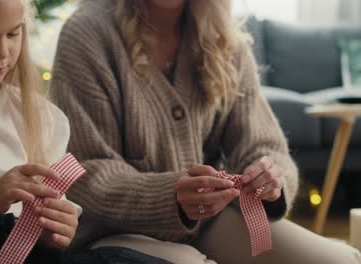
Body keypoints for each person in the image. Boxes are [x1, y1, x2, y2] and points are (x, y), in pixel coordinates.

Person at [50, 0, 361, 263]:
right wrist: (170, 196)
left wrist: (269, 177)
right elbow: (85, 171)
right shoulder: (87, 33)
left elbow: (262, 145)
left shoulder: (224, 37)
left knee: (340, 261)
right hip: (111, 229)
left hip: (210, 219)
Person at [0, 0, 174, 263]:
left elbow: (50, 238)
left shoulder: (41, 116)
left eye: (14, 34)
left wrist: (57, 229)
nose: (2, 53)